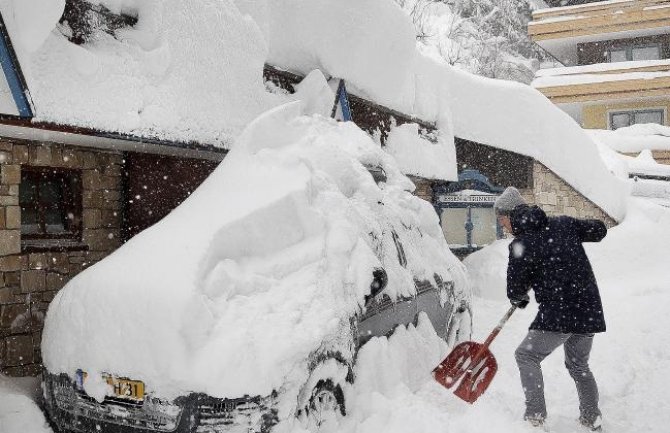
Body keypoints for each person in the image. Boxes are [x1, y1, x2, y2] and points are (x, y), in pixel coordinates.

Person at [494, 187, 607, 432]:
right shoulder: (563, 223)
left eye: (501, 219)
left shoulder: (520, 245)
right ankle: (591, 418)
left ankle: (535, 417)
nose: (502, 225)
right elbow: (599, 230)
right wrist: (582, 228)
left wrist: (519, 298)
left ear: (510, 214)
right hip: (588, 310)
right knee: (578, 365)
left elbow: (516, 290)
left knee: (526, 355)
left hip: (559, 314)